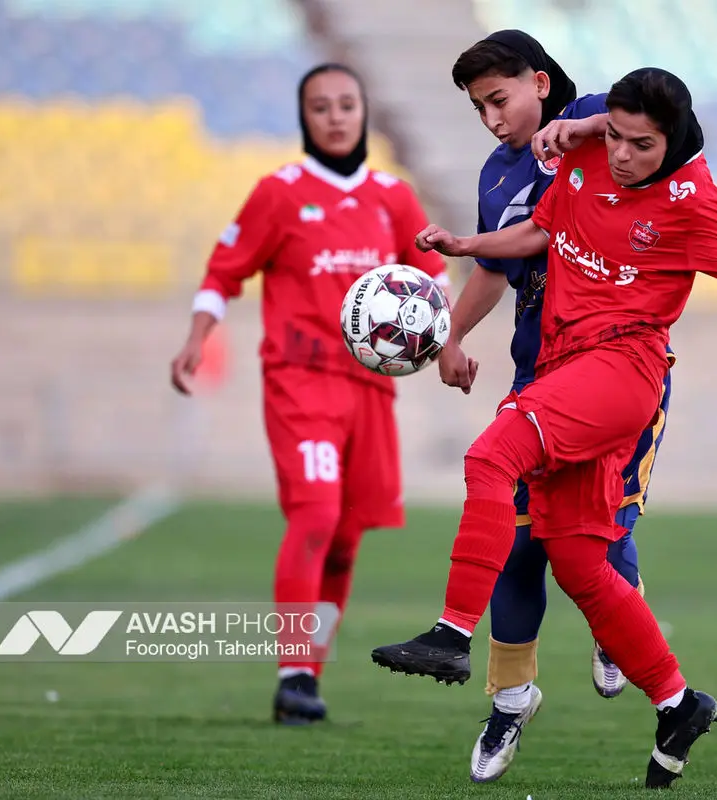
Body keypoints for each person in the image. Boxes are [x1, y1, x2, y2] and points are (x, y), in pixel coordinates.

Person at [371, 66, 717, 788]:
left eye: (642, 145)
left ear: (672, 142)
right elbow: (542, 231)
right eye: (616, 137)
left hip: (622, 368)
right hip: (562, 364)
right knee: (577, 559)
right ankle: (678, 703)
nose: (623, 155)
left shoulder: (696, 202)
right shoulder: (585, 150)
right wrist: (466, 246)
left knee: (490, 459)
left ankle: (450, 635)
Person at [169, 63, 449, 725]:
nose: (335, 116)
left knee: (347, 539)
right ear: (304, 117)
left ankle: (309, 674)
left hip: (370, 390)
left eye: (346, 103)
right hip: (300, 382)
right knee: (316, 515)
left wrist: (450, 341)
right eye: (320, 106)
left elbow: (433, 279)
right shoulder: (279, 193)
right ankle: (292, 671)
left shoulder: (392, 197)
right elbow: (223, 271)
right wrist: (197, 335)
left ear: (364, 111)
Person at [433, 30, 674, 784]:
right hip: (537, 374)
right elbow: (495, 267)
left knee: (602, 535)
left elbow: (674, 136)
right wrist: (451, 336)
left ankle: (617, 627)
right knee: (515, 542)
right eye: (478, 109)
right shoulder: (498, 175)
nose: (491, 120)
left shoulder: (603, 119)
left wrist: (587, 129)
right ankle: (511, 700)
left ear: (540, 82)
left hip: (614, 372)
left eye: (498, 100)